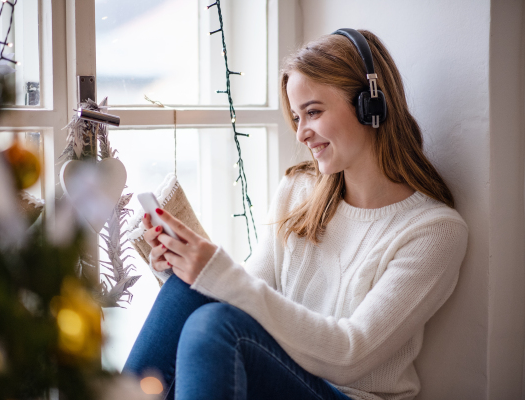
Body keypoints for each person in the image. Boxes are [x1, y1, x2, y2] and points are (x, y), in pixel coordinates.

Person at [123, 29, 468, 400]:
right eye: (296, 116)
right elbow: (250, 294)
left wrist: (219, 273)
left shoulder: (434, 230)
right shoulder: (299, 190)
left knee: (217, 324)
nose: (302, 133)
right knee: (189, 290)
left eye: (313, 112)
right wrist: (182, 265)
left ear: (371, 105)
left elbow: (351, 355)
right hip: (281, 377)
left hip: (348, 395)